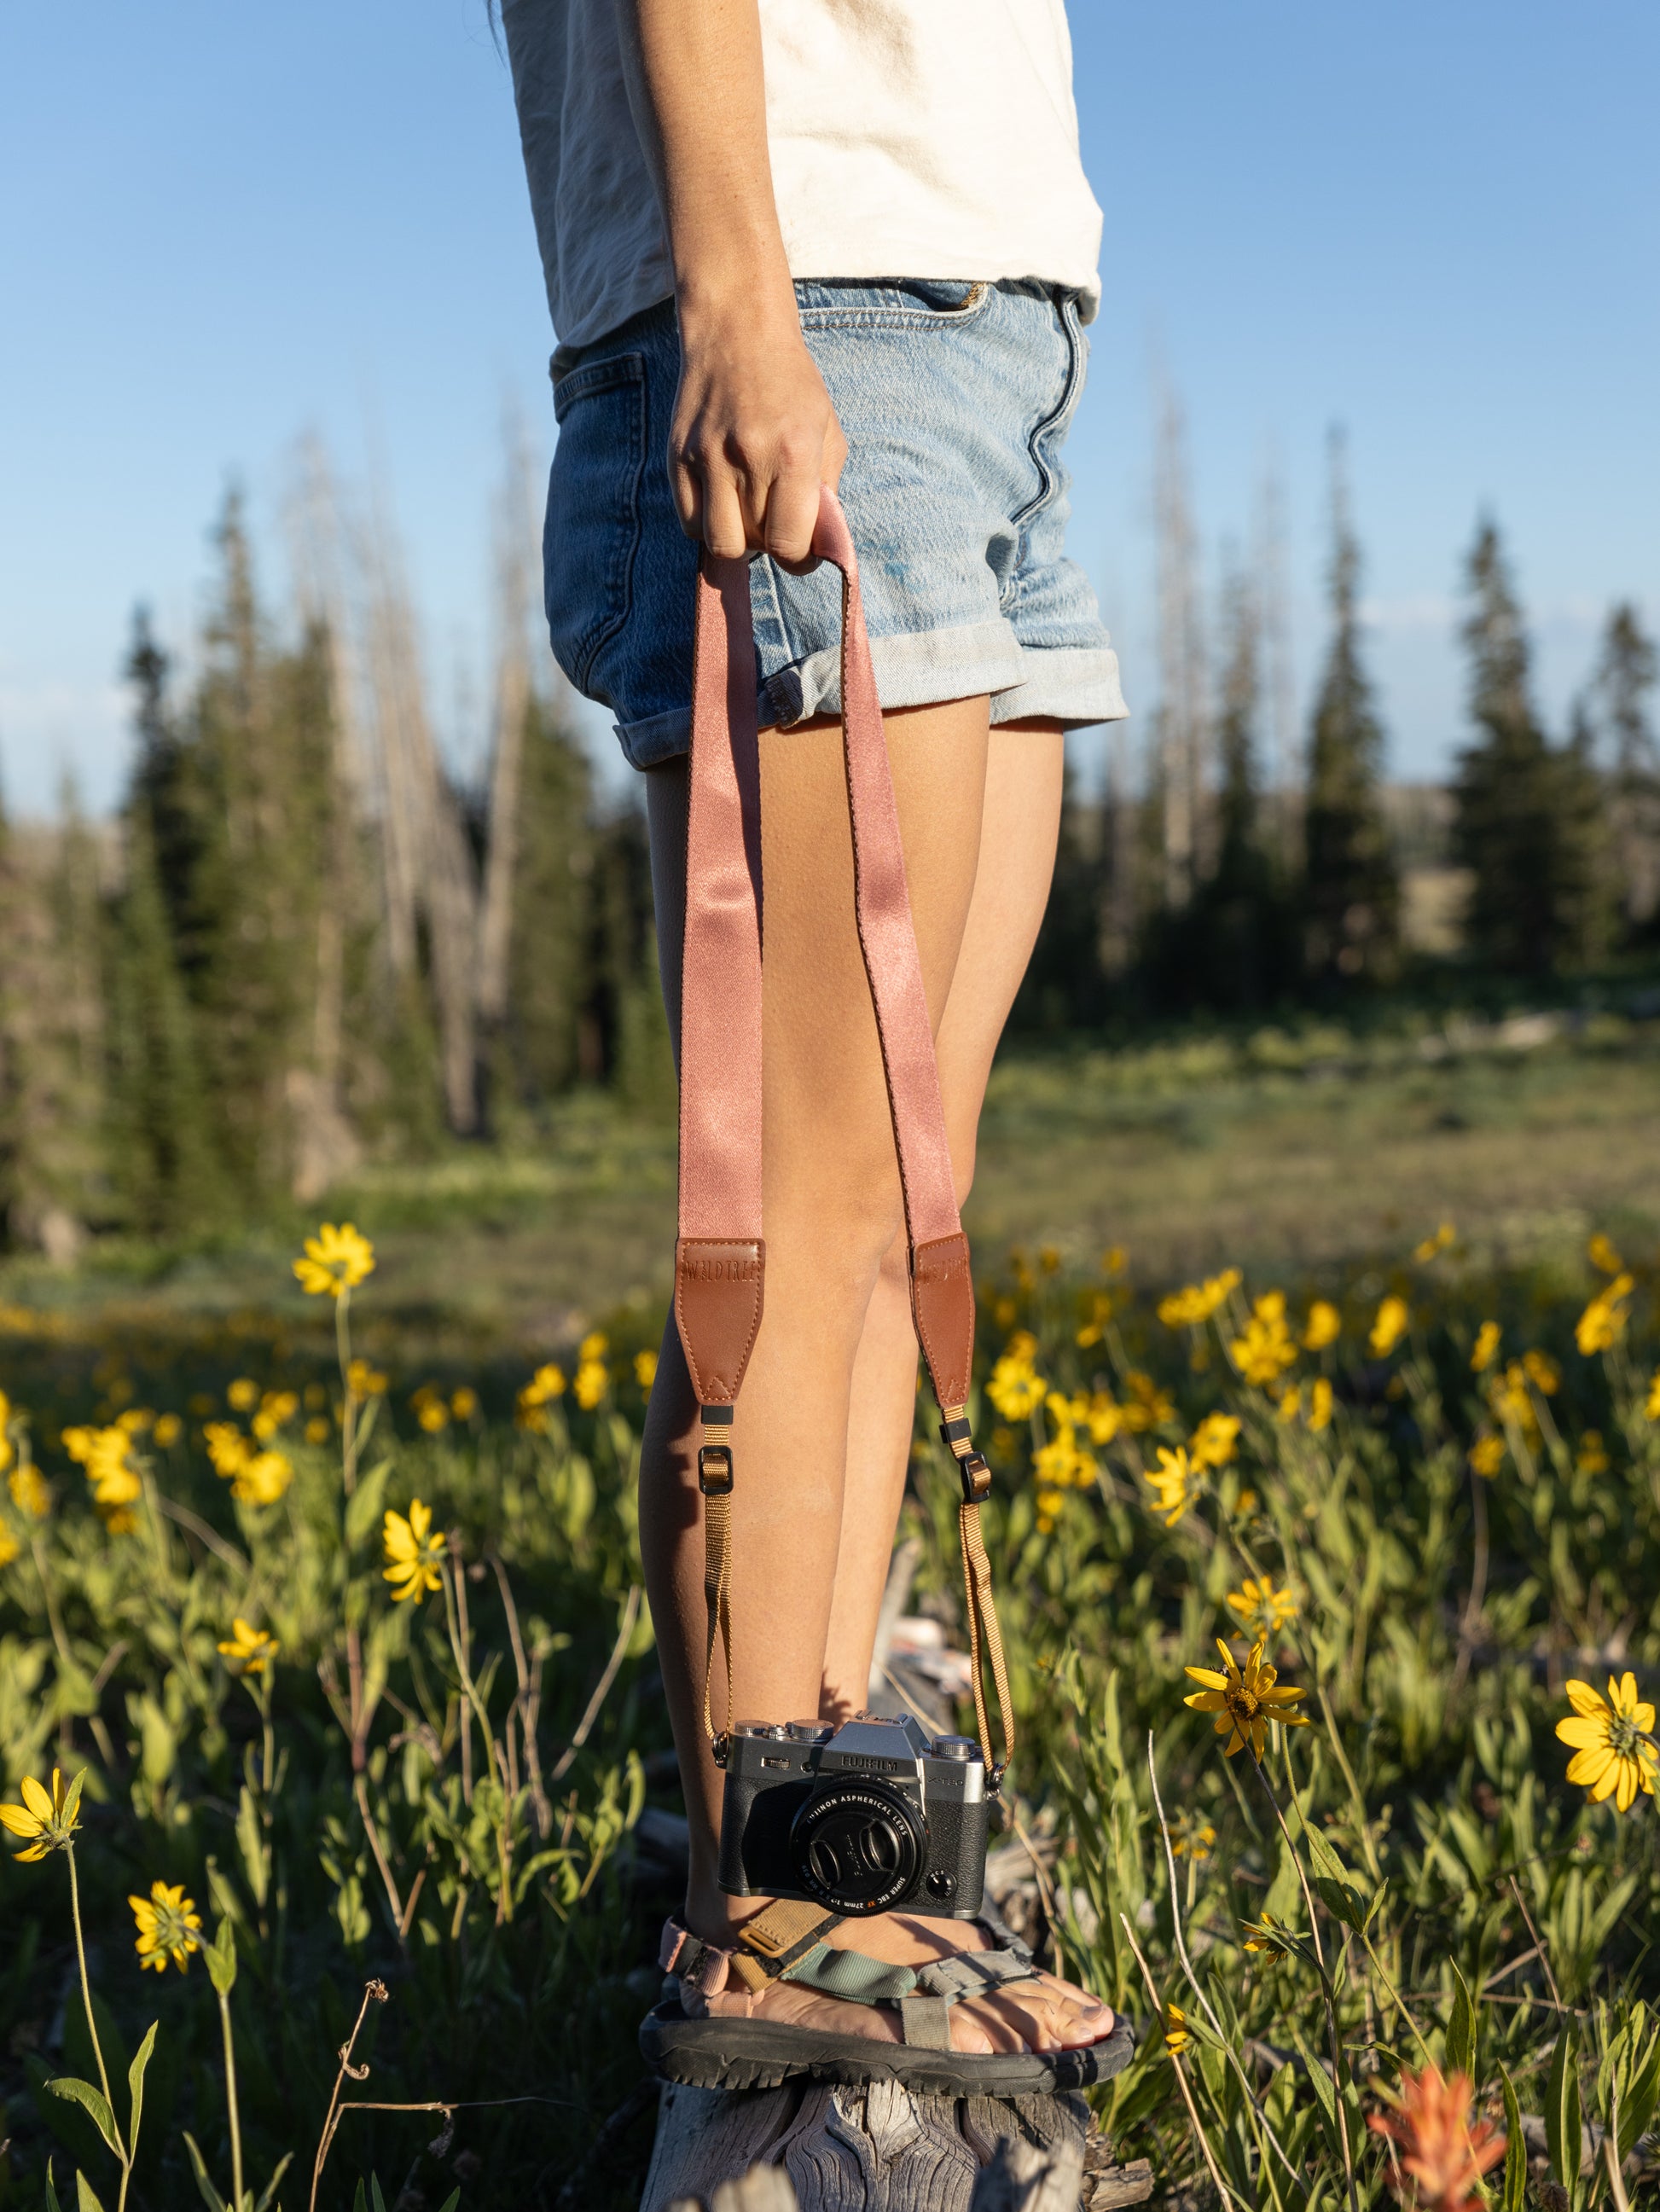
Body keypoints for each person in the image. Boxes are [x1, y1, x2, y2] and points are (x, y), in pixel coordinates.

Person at [502, 0, 1126, 2085]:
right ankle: (775, 1924)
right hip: (817, 306)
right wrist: (739, 298)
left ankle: (802, 1803)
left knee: (877, 1202)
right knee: (800, 1196)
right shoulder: (777, 303)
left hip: (986, 342)